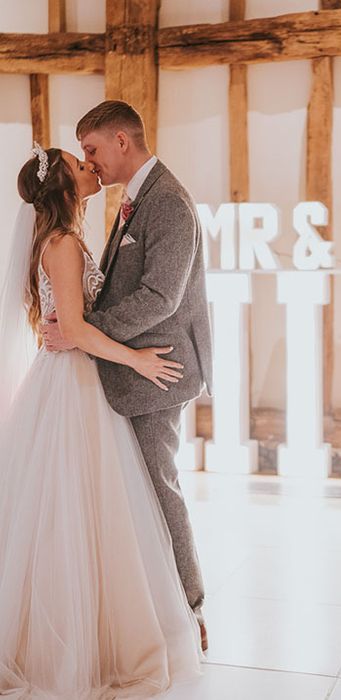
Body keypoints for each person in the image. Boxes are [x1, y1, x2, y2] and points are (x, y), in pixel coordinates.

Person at [0, 146, 202, 696]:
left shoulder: (63, 238)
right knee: (80, 507)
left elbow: (68, 322)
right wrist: (138, 358)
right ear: (65, 185)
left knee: (79, 508)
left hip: (70, 376)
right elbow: (77, 328)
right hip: (73, 382)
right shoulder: (62, 244)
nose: (90, 167)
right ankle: (77, 640)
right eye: (79, 162)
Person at [42, 101, 213, 644]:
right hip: (130, 370)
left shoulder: (169, 202)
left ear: (121, 140)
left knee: (159, 488)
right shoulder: (135, 200)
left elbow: (161, 297)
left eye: (91, 149)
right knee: (135, 492)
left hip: (157, 369)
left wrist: (84, 329)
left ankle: (190, 610)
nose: (90, 163)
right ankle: (149, 608)